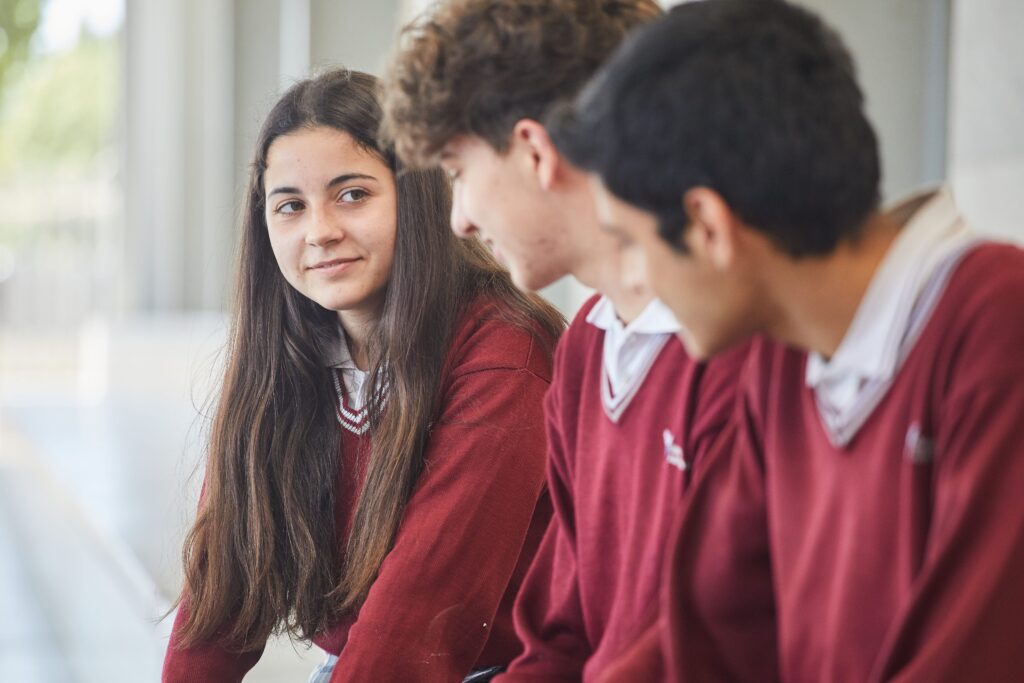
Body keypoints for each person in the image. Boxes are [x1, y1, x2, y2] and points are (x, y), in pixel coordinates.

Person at [550, 1, 1024, 680]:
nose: (627, 275)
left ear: (708, 226)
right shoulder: (785, 353)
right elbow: (711, 630)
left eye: (628, 242)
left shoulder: (997, 323)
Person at [381, 2, 747, 679]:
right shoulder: (585, 347)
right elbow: (557, 640)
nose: (457, 220)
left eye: (458, 173)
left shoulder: (744, 351)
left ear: (535, 151)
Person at [161, 68, 564, 683]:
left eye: (353, 194)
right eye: (290, 206)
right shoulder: (284, 356)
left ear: (417, 193)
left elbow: (424, 615)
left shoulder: (504, 350)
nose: (320, 231)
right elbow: (221, 594)